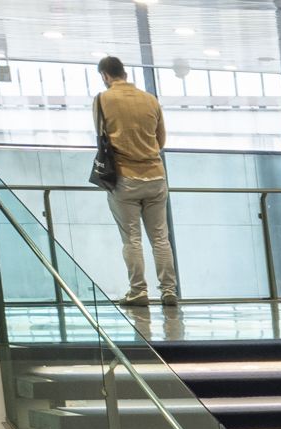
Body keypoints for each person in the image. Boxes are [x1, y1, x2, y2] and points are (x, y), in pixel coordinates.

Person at [93, 55, 178, 305]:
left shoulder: (102, 99)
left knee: (132, 238)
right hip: (155, 175)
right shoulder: (150, 100)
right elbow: (161, 139)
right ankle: (169, 290)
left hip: (124, 177)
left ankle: (139, 291)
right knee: (160, 238)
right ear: (125, 73)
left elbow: (100, 136)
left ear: (105, 76)